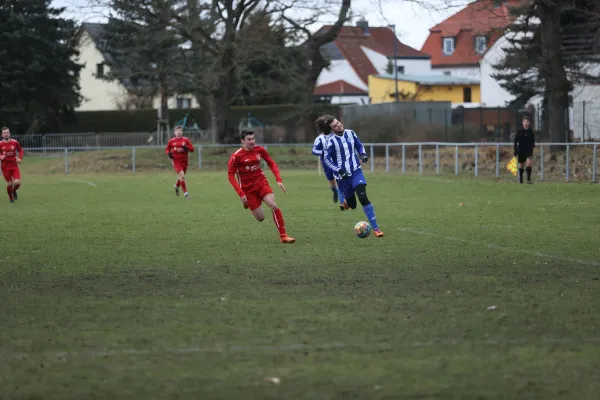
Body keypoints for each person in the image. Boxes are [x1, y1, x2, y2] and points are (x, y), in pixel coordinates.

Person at [228, 130, 295, 244]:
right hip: (247, 189)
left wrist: (278, 179)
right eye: (249, 139)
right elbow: (230, 175)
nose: (252, 141)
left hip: (261, 182)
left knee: (273, 205)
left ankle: (283, 236)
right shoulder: (236, 156)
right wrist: (241, 193)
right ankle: (247, 202)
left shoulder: (260, 150)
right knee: (261, 218)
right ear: (242, 141)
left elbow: (272, 163)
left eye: (253, 138)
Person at [322, 116, 384, 237]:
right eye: (335, 126)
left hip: (356, 171)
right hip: (343, 177)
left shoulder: (350, 133)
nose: (338, 125)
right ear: (332, 130)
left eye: (338, 123)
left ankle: (376, 229)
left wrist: (363, 154)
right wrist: (339, 171)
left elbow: (359, 145)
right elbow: (327, 159)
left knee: (363, 197)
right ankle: (347, 201)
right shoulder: (330, 141)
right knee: (353, 205)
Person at [312, 115, 345, 211]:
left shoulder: (335, 135)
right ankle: (334, 191)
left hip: (336, 162)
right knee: (332, 182)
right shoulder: (320, 139)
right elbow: (314, 151)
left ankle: (342, 203)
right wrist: (323, 152)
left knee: (340, 181)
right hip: (326, 164)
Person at [165, 126, 194, 198]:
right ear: (174, 132)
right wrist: (169, 154)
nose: (178, 132)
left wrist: (186, 148)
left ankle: (176, 186)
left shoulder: (186, 140)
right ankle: (186, 194)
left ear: (182, 132)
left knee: (181, 177)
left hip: (184, 161)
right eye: (177, 130)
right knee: (182, 176)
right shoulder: (171, 141)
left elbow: (192, 149)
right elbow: (167, 149)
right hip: (176, 161)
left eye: (180, 130)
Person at [0, 127, 23, 203]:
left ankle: (14, 190)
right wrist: (0, 157)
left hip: (14, 165)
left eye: (7, 132)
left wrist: (20, 158)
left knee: (17, 183)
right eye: (4, 133)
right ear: (2, 135)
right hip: (5, 167)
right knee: (10, 183)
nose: (6, 134)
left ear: (9, 133)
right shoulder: (0, 144)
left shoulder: (15, 142)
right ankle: (11, 198)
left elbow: (20, 150)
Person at [513, 116, 535, 184]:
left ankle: (528, 180)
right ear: (522, 123)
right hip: (521, 150)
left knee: (528, 163)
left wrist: (533, 145)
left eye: (527, 122)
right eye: (524, 122)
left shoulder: (530, 131)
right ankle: (521, 180)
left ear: (529, 123)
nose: (526, 123)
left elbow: (532, 140)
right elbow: (515, 141)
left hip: (528, 150)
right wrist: (515, 150)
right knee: (521, 165)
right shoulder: (519, 131)